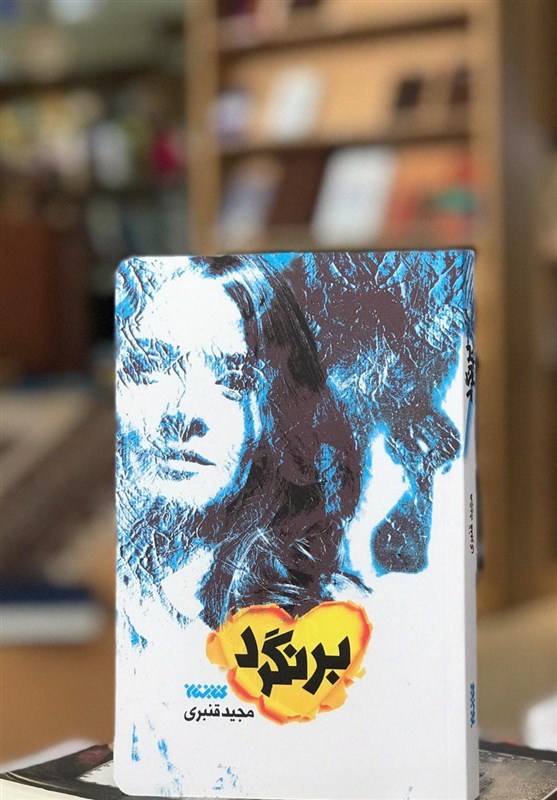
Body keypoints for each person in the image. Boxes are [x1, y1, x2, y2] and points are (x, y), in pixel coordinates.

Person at [116, 255, 363, 630]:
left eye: (234, 379)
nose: (184, 414)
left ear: (278, 409)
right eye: (149, 366)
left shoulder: (330, 613)